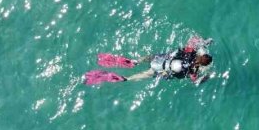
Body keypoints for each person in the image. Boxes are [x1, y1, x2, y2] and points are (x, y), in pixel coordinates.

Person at [84, 36, 214, 86]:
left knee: (149, 58)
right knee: (146, 74)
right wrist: (206, 77)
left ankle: (134, 62)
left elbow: (192, 41)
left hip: (160, 60)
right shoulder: (194, 70)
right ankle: (125, 78)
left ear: (201, 56)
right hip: (162, 70)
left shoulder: (190, 53)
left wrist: (205, 42)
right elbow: (195, 80)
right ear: (203, 64)